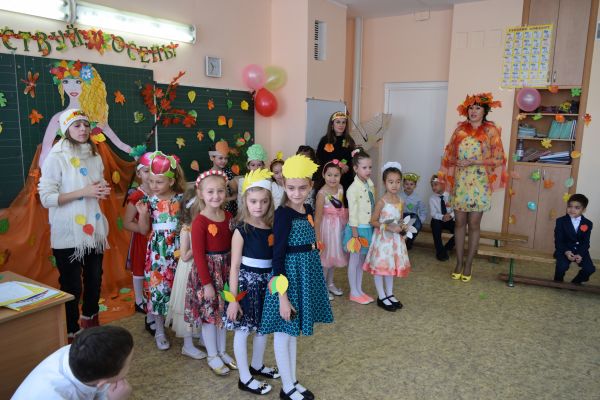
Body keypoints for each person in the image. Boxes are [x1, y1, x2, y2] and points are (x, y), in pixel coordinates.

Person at [260, 154, 334, 400]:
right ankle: (287, 387)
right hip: (287, 279)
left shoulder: (308, 209)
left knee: (293, 334)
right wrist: (282, 297)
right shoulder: (283, 214)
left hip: (304, 275)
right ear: (284, 185)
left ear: (310, 186)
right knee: (284, 332)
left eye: (302, 187)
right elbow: (277, 257)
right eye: (291, 188)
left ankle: (292, 381)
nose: (296, 193)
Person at [38, 109, 111, 341]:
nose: (83, 129)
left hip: (93, 229)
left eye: (86, 125)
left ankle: (91, 322)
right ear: (66, 129)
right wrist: (84, 192)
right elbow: (46, 198)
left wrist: (101, 188)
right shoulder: (56, 156)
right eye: (77, 125)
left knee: (94, 279)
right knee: (72, 285)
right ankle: (71, 330)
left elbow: (95, 184)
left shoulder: (94, 154)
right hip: (68, 232)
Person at [438, 92, 506, 282]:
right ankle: (459, 262)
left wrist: (474, 161)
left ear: (485, 111)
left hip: (480, 184)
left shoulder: (491, 131)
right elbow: (449, 155)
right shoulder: (460, 130)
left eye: (478, 108)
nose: (473, 111)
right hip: (460, 182)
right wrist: (456, 160)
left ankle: (469, 264)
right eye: (471, 108)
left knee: (474, 224)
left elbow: (499, 158)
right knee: (459, 223)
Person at [224, 169, 280, 395]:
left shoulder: (271, 226)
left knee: (263, 328)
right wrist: (233, 299)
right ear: (245, 201)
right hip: (247, 286)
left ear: (269, 202)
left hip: (266, 284)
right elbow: (235, 267)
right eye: (254, 201)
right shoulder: (242, 230)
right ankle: (244, 378)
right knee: (243, 330)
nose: (259, 206)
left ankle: (257, 365)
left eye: (264, 201)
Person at [184, 170, 235, 376]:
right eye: (210, 191)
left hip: (225, 270)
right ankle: (212, 355)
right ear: (201, 194)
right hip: (208, 274)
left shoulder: (228, 216)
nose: (216, 196)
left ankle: (222, 351)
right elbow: (197, 255)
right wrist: (206, 284)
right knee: (209, 315)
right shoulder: (200, 221)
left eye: (220, 191)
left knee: (223, 314)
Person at [136, 151, 186, 350]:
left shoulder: (182, 199)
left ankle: (184, 329)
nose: (154, 186)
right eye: (151, 181)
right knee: (158, 290)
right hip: (158, 252)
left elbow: (188, 223)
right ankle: (159, 330)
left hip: (179, 248)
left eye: (159, 182)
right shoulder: (150, 201)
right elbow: (143, 230)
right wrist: (142, 214)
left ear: (171, 181)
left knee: (180, 287)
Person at [40, 60, 132, 168]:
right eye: (66, 81)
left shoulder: (96, 116)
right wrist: (46, 172)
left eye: (78, 82)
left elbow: (118, 142)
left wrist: (135, 152)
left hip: (94, 165)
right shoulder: (58, 118)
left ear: (89, 85)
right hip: (69, 167)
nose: (72, 87)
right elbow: (46, 149)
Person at [13, 326, 133, 400]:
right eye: (129, 363)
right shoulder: (55, 395)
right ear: (102, 381)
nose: (131, 364)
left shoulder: (80, 352)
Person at [164, 185, 206, 360]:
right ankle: (187, 345)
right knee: (187, 306)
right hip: (189, 271)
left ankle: (201, 335)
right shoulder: (186, 229)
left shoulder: (204, 225)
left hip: (203, 269)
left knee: (202, 304)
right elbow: (185, 255)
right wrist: (199, 245)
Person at [363, 162, 411, 312]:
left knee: (390, 267)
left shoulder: (401, 201)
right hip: (383, 241)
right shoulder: (381, 202)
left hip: (395, 241)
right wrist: (387, 227)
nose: (394, 185)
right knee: (381, 268)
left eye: (398, 182)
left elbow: (400, 219)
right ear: (385, 183)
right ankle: (381, 296)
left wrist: (403, 227)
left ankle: (389, 294)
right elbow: (373, 221)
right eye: (391, 182)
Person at [123, 152, 155, 335]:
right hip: (142, 239)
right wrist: (144, 229)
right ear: (139, 174)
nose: (150, 175)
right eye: (146, 171)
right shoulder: (137, 196)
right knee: (140, 268)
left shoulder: (161, 192)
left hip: (158, 239)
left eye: (153, 170)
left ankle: (151, 299)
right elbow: (127, 223)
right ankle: (138, 300)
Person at [343, 148, 375, 305]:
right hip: (357, 230)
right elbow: (353, 214)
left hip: (367, 228)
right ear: (355, 168)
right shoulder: (352, 189)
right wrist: (355, 235)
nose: (368, 170)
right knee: (354, 260)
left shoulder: (370, 184)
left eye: (370, 167)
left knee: (361, 261)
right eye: (364, 167)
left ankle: (359, 289)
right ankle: (353, 292)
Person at [314, 159, 349, 300]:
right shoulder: (322, 193)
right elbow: (317, 218)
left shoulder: (340, 187)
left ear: (340, 175)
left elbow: (341, 206)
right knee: (325, 259)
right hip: (326, 229)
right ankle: (321, 287)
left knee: (333, 258)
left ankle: (330, 283)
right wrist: (318, 239)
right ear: (323, 175)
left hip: (338, 227)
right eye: (329, 175)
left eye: (336, 175)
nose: (332, 178)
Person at [553, 194, 596, 284]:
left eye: (577, 208)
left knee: (590, 269)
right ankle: (558, 281)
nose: (572, 210)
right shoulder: (560, 221)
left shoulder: (588, 223)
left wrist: (580, 254)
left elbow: (586, 242)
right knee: (562, 266)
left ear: (583, 210)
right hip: (564, 249)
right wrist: (566, 251)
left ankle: (576, 282)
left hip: (580, 250)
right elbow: (559, 240)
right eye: (570, 206)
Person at [316, 111, 356, 194]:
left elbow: (349, 158)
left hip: (345, 179)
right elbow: (320, 159)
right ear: (332, 124)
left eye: (343, 122)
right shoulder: (325, 141)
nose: (341, 125)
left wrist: (346, 165)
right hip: (329, 179)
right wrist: (339, 165)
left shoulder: (349, 141)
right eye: (338, 122)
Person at [429, 174, 455, 262]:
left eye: (435, 184)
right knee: (434, 223)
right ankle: (440, 252)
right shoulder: (432, 199)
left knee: (460, 230)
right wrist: (443, 216)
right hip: (439, 220)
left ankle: (446, 248)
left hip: (451, 220)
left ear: (443, 184)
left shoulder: (451, 196)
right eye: (432, 185)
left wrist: (450, 215)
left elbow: (457, 209)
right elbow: (433, 213)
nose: (433, 187)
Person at [209, 140, 238, 216]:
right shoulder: (208, 175)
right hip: (215, 211)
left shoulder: (227, 172)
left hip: (229, 210)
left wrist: (227, 199)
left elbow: (235, 191)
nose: (224, 161)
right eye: (221, 158)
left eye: (226, 158)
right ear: (212, 158)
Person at [237, 143, 269, 210]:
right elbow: (240, 200)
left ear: (263, 166)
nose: (256, 168)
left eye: (259, 165)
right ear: (248, 166)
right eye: (253, 165)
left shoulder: (266, 181)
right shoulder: (242, 181)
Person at [399, 172, 426, 250]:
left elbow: (423, 210)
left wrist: (421, 220)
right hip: (401, 215)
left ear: (415, 186)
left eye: (411, 184)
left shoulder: (418, 198)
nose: (409, 186)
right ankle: (400, 242)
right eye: (406, 184)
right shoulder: (399, 196)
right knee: (400, 227)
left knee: (417, 226)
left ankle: (409, 242)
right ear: (403, 185)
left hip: (413, 215)